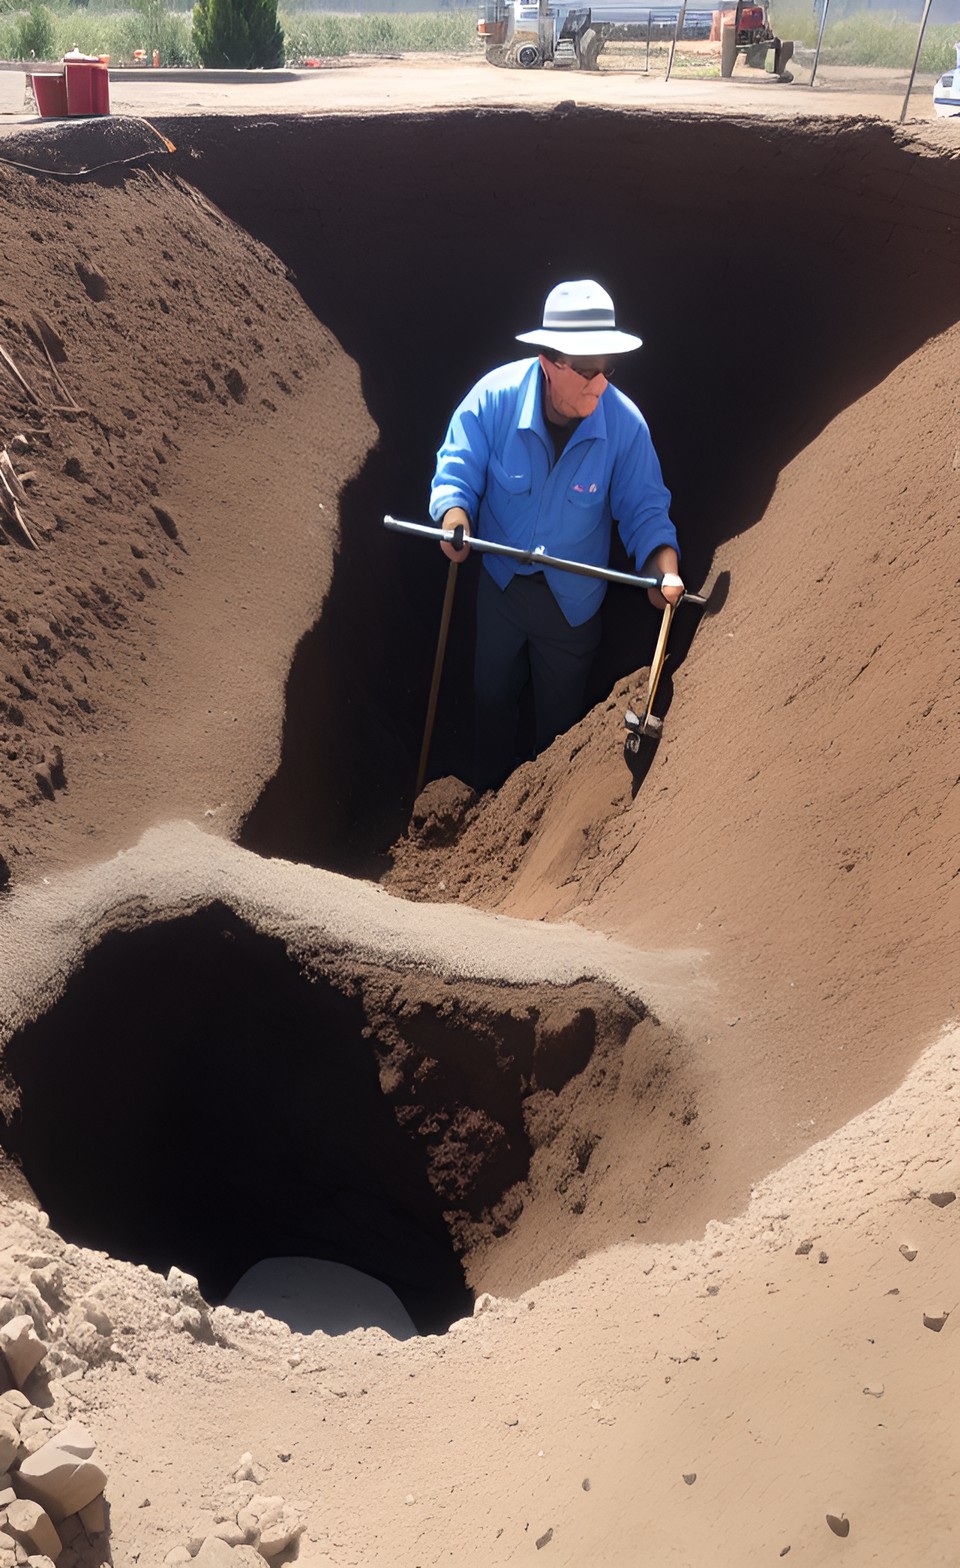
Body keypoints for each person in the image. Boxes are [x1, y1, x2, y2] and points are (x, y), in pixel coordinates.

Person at [429, 278, 683, 793]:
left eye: (608, 369)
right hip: (501, 587)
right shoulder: (493, 400)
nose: (600, 384)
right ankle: (486, 797)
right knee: (491, 698)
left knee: (561, 724)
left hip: (573, 604)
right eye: (588, 371)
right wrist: (454, 517)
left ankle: (537, 825)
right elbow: (457, 468)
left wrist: (664, 570)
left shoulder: (625, 426)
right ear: (549, 362)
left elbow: (645, 510)